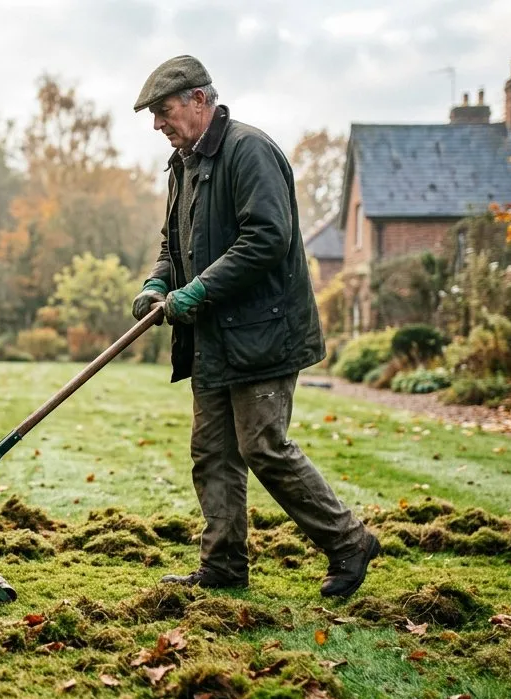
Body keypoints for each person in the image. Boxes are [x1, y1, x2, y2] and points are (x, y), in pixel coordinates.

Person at [130, 55, 379, 598]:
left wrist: (198, 290)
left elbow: (267, 239)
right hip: (213, 338)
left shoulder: (249, 150)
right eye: (152, 115)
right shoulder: (185, 164)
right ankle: (222, 566)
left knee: (263, 444)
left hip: (262, 331)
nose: (157, 124)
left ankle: (349, 541)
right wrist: (157, 283)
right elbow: (175, 246)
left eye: (163, 111)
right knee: (212, 451)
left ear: (199, 100)